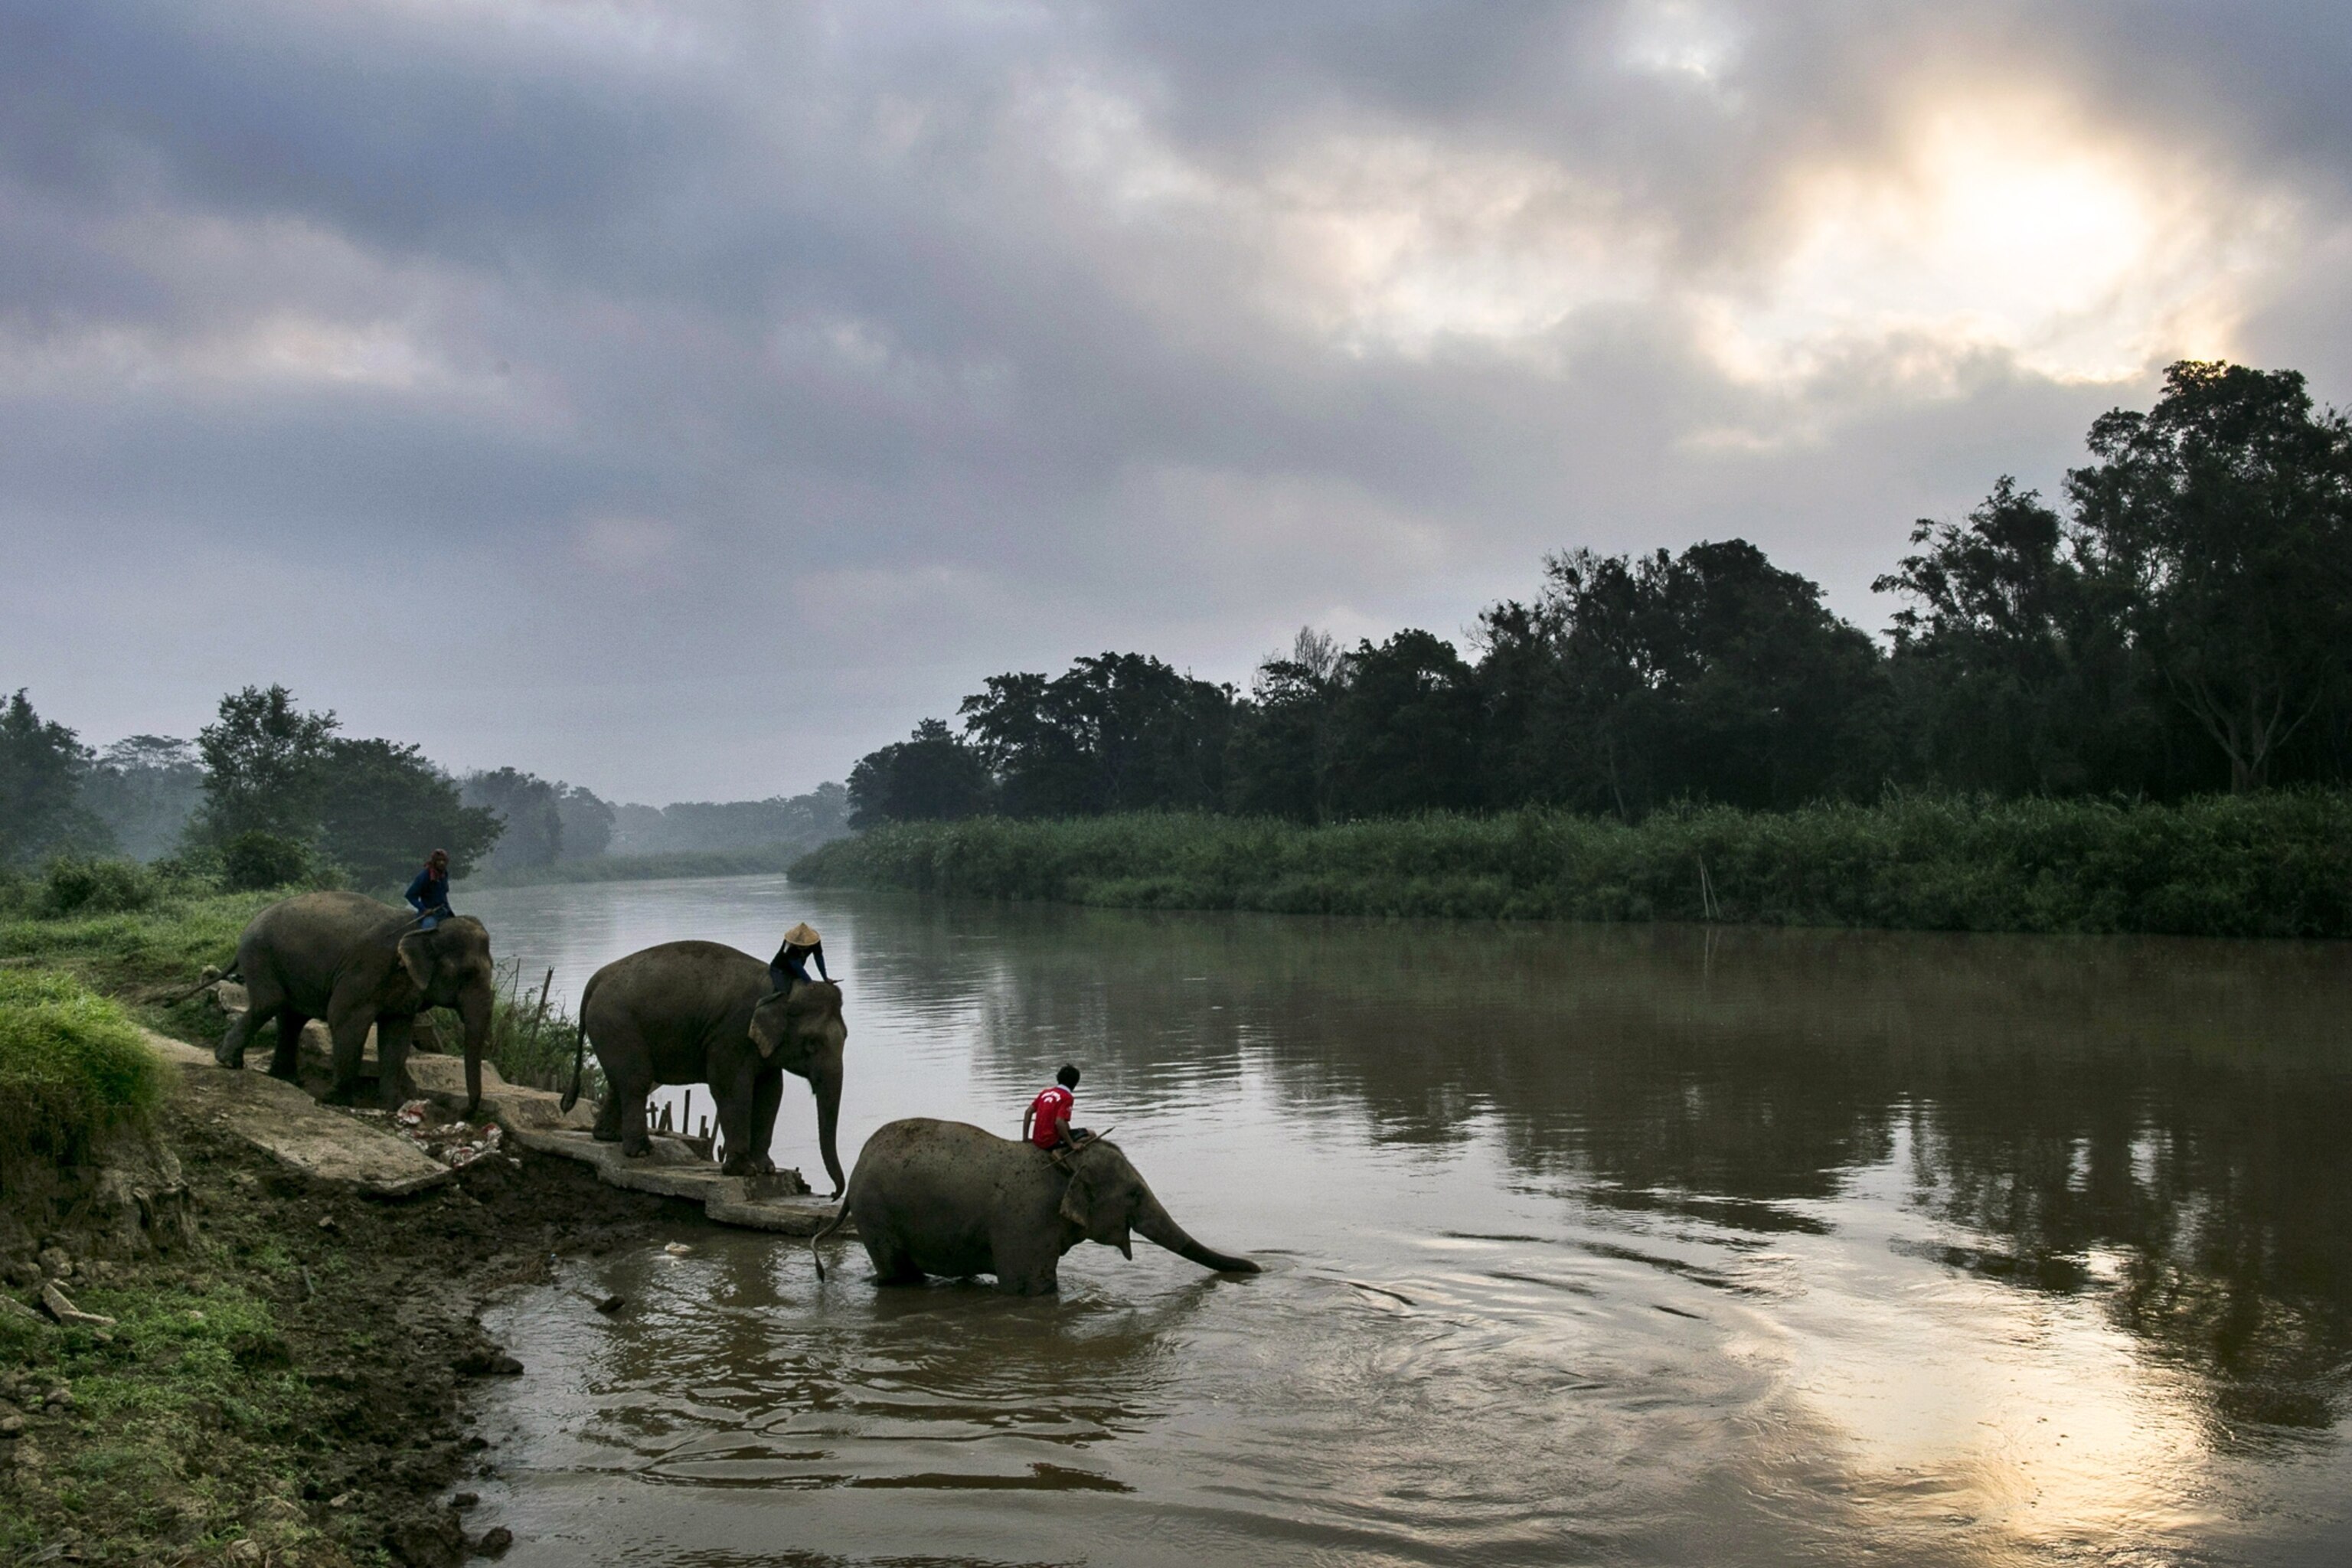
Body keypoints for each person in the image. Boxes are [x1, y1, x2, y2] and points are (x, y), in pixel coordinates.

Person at [1022, 1063, 1089, 1152]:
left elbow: (1028, 1112)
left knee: (1066, 1125)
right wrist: (1072, 1144)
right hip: (1050, 1142)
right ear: (1075, 1083)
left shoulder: (1045, 1092)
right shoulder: (1067, 1097)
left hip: (1037, 1140)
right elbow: (1059, 1122)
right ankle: (1060, 1151)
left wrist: (1025, 1138)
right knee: (1091, 1134)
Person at [768, 923, 830, 995]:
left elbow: (819, 958)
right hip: (780, 969)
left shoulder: (815, 942)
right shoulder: (790, 944)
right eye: (799, 946)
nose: (801, 948)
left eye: (804, 946)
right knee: (783, 993)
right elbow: (795, 963)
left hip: (795, 971)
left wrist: (825, 977)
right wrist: (808, 980)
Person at [404, 849, 452, 929]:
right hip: (430, 914)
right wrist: (424, 909)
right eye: (439, 860)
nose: (442, 863)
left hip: (444, 912)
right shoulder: (424, 876)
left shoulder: (444, 874)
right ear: (434, 861)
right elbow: (410, 895)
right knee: (428, 931)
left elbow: (444, 896)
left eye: (444, 860)